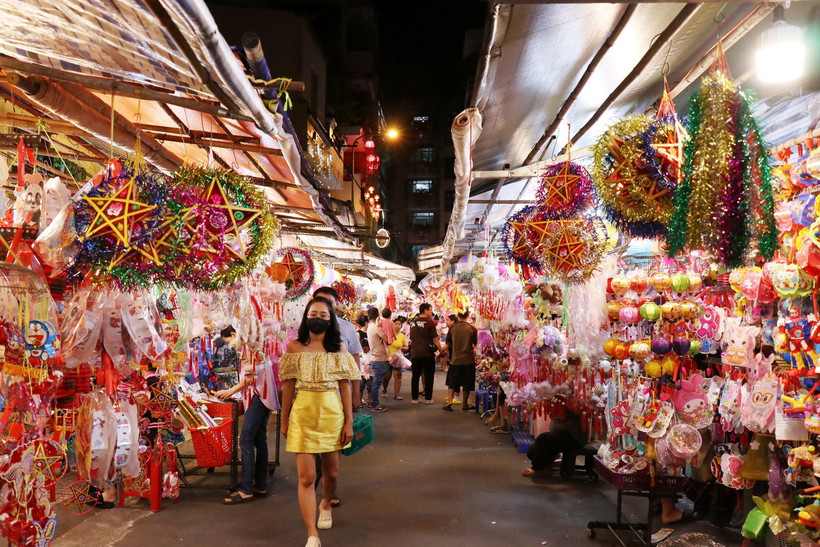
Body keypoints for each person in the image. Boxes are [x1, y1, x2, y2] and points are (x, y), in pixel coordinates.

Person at [279, 297, 360, 547]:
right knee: (306, 478)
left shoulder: (339, 349)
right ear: (305, 316)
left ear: (331, 319)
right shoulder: (294, 348)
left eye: (324, 315)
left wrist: (349, 422)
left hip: (332, 415)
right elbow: (288, 387)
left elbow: (345, 386)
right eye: (314, 313)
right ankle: (312, 534)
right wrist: (284, 420)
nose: (318, 318)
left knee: (331, 473)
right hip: (302, 415)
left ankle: (326, 503)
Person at [312, 287, 363, 509]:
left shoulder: (346, 328)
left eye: (328, 303)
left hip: (336, 397)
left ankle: (328, 489)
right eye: (318, 303)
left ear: (335, 305)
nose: (323, 308)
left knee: (334, 445)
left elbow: (354, 360)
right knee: (311, 448)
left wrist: (356, 392)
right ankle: (311, 484)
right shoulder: (304, 331)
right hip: (310, 398)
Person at [217, 332, 278, 505]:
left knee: (246, 440)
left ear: (235, 334)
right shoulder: (255, 344)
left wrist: (230, 391)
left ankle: (246, 489)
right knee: (259, 439)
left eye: (228, 340)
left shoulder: (248, 347)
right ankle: (260, 484)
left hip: (257, 396)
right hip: (262, 396)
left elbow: (249, 380)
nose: (229, 344)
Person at [443, 309, 477, 412]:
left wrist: (441, 351)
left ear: (458, 315)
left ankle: (450, 401)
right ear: (468, 315)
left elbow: (448, 343)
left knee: (452, 381)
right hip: (468, 360)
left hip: (455, 360)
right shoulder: (472, 329)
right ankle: (465, 404)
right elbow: (474, 344)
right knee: (467, 383)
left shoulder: (452, 328)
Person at [409, 303, 442, 404]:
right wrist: (441, 350)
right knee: (429, 376)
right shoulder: (429, 322)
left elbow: (411, 338)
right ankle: (428, 398)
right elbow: (435, 339)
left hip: (415, 353)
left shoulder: (413, 323)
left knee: (415, 376)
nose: (431, 312)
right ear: (426, 310)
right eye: (430, 310)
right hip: (427, 354)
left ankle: (414, 398)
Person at [366, 307, 390, 412]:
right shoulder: (376, 328)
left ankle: (373, 402)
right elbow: (388, 340)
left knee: (376, 382)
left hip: (375, 358)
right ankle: (375, 404)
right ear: (378, 316)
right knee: (377, 383)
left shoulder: (370, 327)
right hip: (379, 359)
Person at [386, 316, 409, 400]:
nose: (397, 326)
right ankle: (385, 389)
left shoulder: (402, 336)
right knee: (387, 376)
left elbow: (406, 347)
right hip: (388, 358)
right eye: (396, 324)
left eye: (399, 324)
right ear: (393, 325)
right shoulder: (388, 334)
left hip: (398, 359)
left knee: (398, 376)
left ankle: (396, 394)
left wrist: (402, 348)